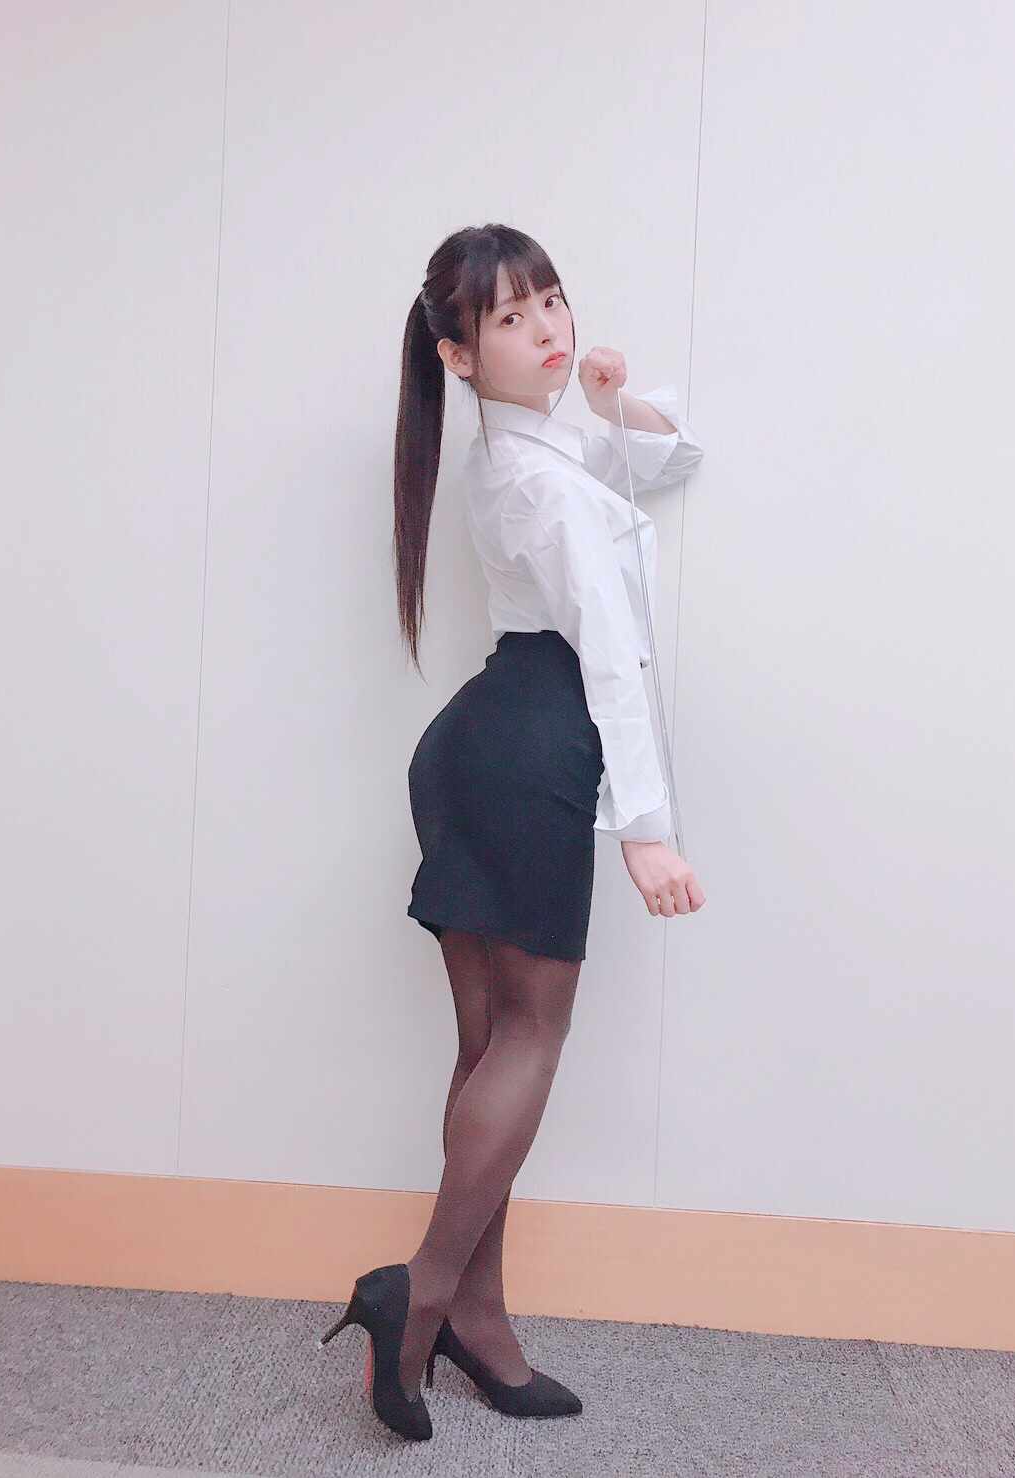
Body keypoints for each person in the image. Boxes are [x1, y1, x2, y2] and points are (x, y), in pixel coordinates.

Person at [319, 224, 707, 1440]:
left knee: (490, 1046)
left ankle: (475, 1319)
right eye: (509, 317)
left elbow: (670, 458)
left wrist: (610, 396)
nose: (546, 328)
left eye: (552, 300)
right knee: (529, 1039)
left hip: (479, 741)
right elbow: (613, 656)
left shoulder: (529, 450)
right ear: (457, 353)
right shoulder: (541, 477)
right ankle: (421, 1290)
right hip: (535, 743)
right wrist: (645, 828)